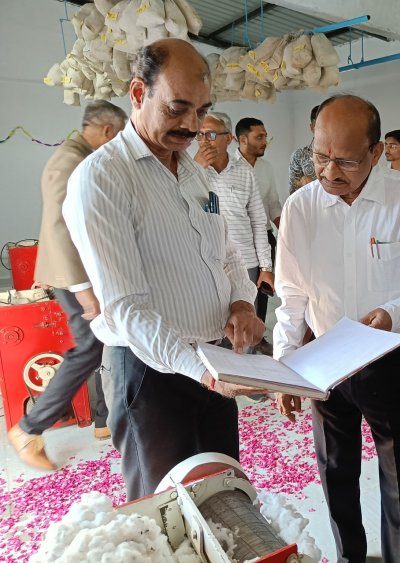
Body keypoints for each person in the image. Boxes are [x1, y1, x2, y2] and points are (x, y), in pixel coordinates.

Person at [63, 39, 265, 501]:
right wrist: (200, 369)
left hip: (212, 361)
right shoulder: (104, 178)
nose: (192, 126)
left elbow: (227, 252)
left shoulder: (194, 173)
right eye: (178, 109)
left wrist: (240, 301)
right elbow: (126, 308)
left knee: (222, 492)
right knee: (165, 509)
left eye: (202, 111)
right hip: (150, 373)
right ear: (138, 93)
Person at [274, 95, 400, 563]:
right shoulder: (301, 208)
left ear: (377, 152)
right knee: (335, 471)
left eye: (346, 161)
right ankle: (349, 557)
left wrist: (395, 312)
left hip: (389, 353)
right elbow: (292, 296)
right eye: (320, 156)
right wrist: (284, 366)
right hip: (323, 358)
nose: (330, 171)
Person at [7, 101, 126, 470]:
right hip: (76, 277)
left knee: (105, 340)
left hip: (86, 274)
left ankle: (106, 420)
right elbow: (60, 226)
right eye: (119, 136)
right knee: (88, 347)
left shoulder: (79, 155)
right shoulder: (70, 159)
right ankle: (28, 428)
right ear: (107, 131)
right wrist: (81, 286)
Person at [194, 111, 274, 342]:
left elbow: (259, 221)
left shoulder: (245, 172)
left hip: (245, 263)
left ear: (229, 139)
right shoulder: (190, 172)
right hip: (208, 263)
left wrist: (265, 266)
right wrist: (197, 169)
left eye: (210, 134)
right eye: (199, 136)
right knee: (212, 332)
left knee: (245, 332)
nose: (204, 141)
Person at [235, 116, 282, 355]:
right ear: (243, 140)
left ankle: (257, 335)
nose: (264, 142)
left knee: (263, 290)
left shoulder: (266, 168)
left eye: (265, 136)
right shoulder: (228, 167)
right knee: (239, 290)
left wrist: (284, 229)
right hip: (239, 241)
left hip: (265, 237)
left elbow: (273, 204)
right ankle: (235, 339)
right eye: (259, 137)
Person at [288, 104, 319, 193]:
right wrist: (302, 184)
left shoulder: (342, 153)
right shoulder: (299, 155)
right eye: (319, 125)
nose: (325, 129)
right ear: (312, 127)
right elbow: (293, 191)